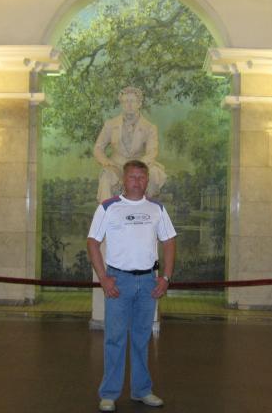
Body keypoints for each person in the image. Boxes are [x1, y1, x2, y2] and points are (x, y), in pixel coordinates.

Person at [87, 160, 176, 412]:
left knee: (141, 338)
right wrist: (103, 278)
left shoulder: (157, 209)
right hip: (119, 281)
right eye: (132, 177)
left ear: (147, 180)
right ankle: (109, 394)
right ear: (123, 180)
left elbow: (169, 241)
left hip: (148, 282)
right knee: (114, 339)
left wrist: (165, 277)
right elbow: (92, 242)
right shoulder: (108, 207)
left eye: (141, 177)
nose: (137, 181)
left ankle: (142, 390)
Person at [93, 86, 167, 202]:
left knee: (154, 173)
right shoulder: (110, 124)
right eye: (125, 101)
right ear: (122, 104)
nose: (129, 105)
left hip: (139, 165)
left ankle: (148, 206)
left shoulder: (149, 127)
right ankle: (105, 209)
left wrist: (140, 165)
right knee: (106, 175)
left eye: (132, 101)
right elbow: (98, 148)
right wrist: (106, 162)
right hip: (116, 166)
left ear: (139, 103)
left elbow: (152, 151)